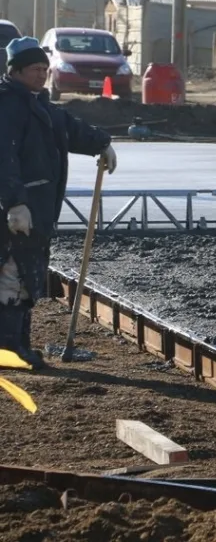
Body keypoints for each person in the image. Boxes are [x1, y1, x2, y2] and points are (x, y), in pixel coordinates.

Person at [0, 37, 118, 368]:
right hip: (14, 214)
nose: (42, 74)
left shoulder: (37, 104)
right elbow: (3, 159)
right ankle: (9, 351)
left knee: (26, 280)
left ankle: (19, 347)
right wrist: (13, 204)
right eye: (36, 69)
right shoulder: (7, 106)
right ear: (17, 70)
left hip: (37, 211)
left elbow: (68, 128)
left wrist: (101, 143)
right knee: (12, 277)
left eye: (45, 68)